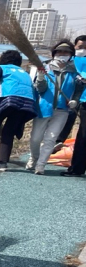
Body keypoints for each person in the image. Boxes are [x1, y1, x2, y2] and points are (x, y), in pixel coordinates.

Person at [25, 40, 83, 175]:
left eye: (66, 52)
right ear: (54, 54)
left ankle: (40, 165)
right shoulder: (45, 68)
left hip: (62, 110)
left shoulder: (75, 71)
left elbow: (79, 90)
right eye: (60, 52)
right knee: (35, 138)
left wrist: (75, 101)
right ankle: (34, 157)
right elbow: (40, 89)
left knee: (50, 138)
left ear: (71, 55)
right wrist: (40, 77)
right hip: (43, 108)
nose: (63, 54)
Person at [58, 34, 86, 177]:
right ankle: (76, 168)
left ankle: (77, 168)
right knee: (81, 136)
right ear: (75, 47)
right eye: (80, 47)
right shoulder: (70, 61)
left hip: (82, 100)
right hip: (73, 101)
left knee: (83, 135)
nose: (83, 50)